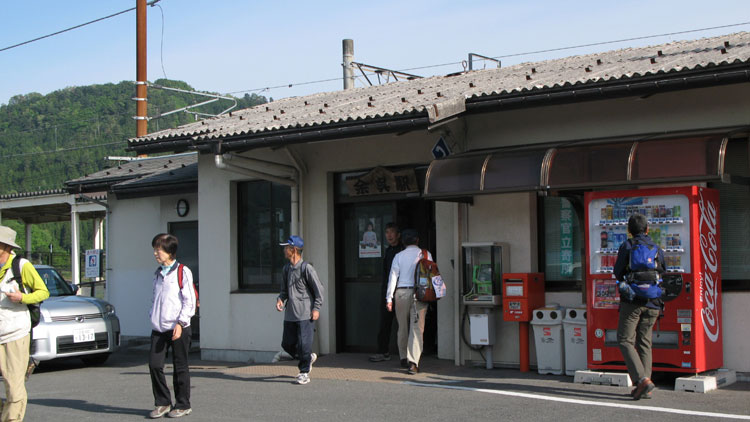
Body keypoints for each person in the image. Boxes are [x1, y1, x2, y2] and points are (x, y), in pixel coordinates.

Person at [613, 213, 666, 400]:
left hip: (632, 302)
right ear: (647, 229)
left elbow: (617, 272)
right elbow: (663, 270)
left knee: (625, 339)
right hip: (653, 302)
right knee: (644, 342)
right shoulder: (656, 247)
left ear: (629, 230)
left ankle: (641, 380)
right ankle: (646, 387)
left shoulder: (627, 246)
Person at [0, 226, 49, 422]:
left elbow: (43, 292)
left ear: (6, 246)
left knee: (14, 386)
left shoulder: (21, 266)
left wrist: (22, 297)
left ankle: (11, 419)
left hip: (15, 333)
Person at [148, 233, 197, 419]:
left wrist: (181, 323)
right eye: (155, 249)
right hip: (159, 328)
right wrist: (152, 315)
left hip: (178, 327)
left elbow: (189, 301)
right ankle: (163, 402)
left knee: (180, 366)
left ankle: (183, 404)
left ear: (170, 252)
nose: (155, 253)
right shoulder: (158, 273)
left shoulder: (182, 271)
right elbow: (155, 298)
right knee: (154, 365)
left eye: (158, 249)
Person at [276, 235, 324, 385]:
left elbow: (319, 290)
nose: (284, 250)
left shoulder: (306, 268)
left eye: (286, 247)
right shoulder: (286, 269)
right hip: (290, 314)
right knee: (287, 344)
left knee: (304, 345)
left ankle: (304, 372)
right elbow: (284, 290)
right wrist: (280, 299)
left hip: (305, 314)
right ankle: (307, 358)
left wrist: (316, 308)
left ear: (294, 250)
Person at [385, 229, 432, 374]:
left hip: (401, 293)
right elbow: (431, 274)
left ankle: (403, 357)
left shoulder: (399, 256)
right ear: (417, 240)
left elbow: (393, 277)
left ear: (403, 242)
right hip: (420, 294)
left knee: (402, 327)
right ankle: (413, 363)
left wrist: (389, 298)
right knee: (417, 329)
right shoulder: (425, 254)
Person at [369, 223, 403, 363]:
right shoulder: (387, 250)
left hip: (401, 291)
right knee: (384, 323)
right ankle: (383, 351)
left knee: (403, 324)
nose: (389, 235)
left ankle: (406, 355)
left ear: (398, 235)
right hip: (387, 291)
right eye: (387, 232)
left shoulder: (402, 251)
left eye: (392, 232)